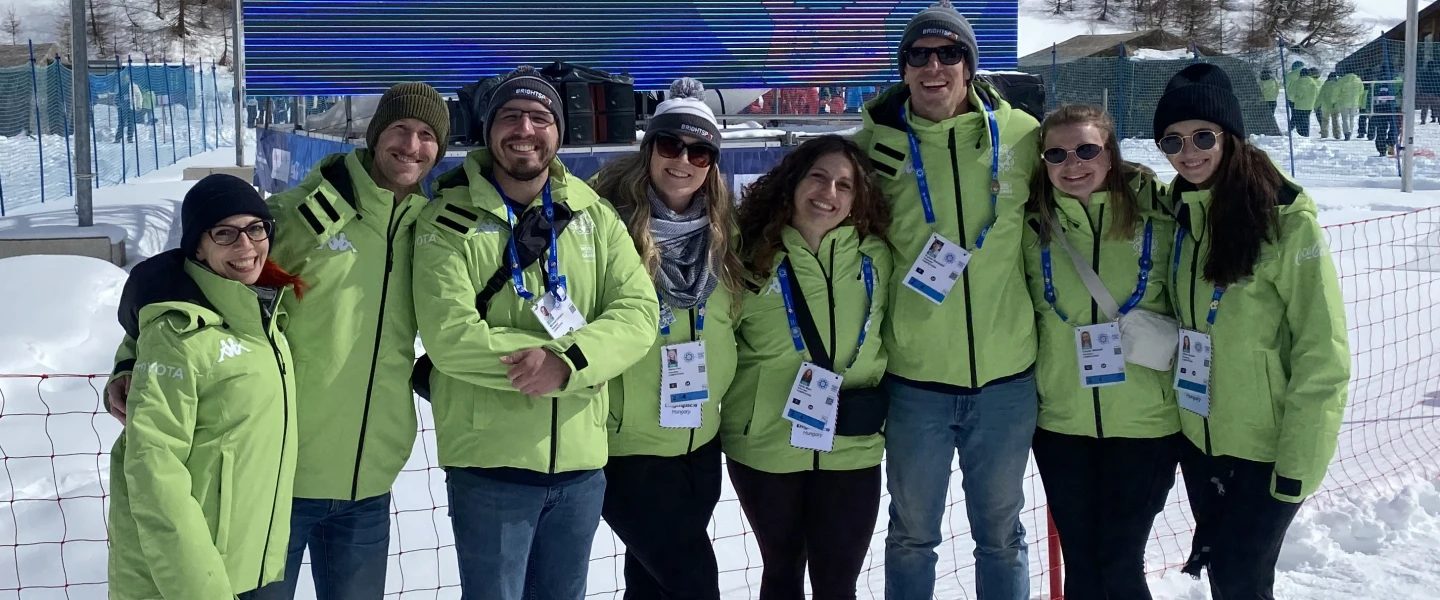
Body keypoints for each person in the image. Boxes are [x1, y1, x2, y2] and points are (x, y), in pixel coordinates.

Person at [106, 82, 450, 599]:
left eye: (428, 135)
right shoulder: (302, 217)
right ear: (375, 135)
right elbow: (195, 278)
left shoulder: (430, 228)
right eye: (399, 129)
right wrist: (131, 356)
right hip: (278, 477)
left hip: (370, 480)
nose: (412, 145)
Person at [412, 66, 659, 600]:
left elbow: (639, 313)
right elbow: (451, 337)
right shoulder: (446, 219)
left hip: (580, 467)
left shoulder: (593, 214)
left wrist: (569, 362)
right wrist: (546, 366)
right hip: (491, 467)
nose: (525, 128)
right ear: (488, 131)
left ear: (559, 132)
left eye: (540, 117)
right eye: (510, 116)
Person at [852, 2, 1042, 597]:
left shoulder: (1023, 136)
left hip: (1006, 381)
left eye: (949, 53)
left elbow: (1090, 184)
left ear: (970, 65)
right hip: (916, 383)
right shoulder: (875, 146)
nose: (934, 67)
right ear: (904, 68)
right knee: (911, 535)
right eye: (919, 55)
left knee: (1002, 536)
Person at [1153, 63, 1349, 600]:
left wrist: (1298, 464)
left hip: (1268, 448)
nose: (1187, 152)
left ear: (1231, 136)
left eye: (1203, 136)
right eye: (1172, 140)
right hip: (1202, 439)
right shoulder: (1178, 213)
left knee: (1241, 576)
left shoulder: (1285, 220)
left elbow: (1322, 350)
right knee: (1227, 574)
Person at [106, 174, 304, 600]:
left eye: (256, 228)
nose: (246, 246)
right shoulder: (178, 336)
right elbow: (155, 474)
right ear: (197, 244)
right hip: (190, 581)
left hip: (249, 569)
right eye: (225, 233)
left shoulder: (261, 316)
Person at [588, 76, 745, 600]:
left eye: (699, 151)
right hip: (626, 448)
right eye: (671, 144)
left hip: (699, 443)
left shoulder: (727, 232)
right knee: (693, 583)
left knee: (651, 586)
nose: (684, 160)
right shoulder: (601, 223)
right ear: (649, 148)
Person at [720, 135, 893, 600]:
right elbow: (716, 339)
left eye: (845, 184)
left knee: (839, 583)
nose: (829, 192)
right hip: (765, 445)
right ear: (793, 181)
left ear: (859, 198)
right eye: (818, 176)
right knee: (782, 572)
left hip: (852, 443)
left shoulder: (877, 256)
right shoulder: (749, 255)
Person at [1021, 104, 1181, 600]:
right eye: (1057, 153)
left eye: (1087, 149)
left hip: (1145, 426)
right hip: (1063, 427)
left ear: (1109, 154)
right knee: (1083, 566)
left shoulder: (1160, 213)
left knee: (1119, 560)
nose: (1073, 163)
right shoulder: (1030, 228)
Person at [1289, 68, 1321, 137]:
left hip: (1298, 105)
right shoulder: (1313, 82)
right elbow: (1317, 93)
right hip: (1309, 105)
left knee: (1299, 120)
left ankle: (1300, 133)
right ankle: (1306, 134)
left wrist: (1294, 100)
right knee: (1306, 119)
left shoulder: (1297, 82)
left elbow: (1291, 95)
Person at [1371, 81, 1400, 157]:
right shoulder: (1397, 81)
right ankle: (1389, 145)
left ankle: (1384, 148)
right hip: (1392, 107)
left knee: (1383, 129)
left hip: (1382, 108)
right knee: (1393, 127)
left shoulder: (1376, 83)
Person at [1337, 72, 1364, 141]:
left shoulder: (1342, 80)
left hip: (1344, 101)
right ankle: (1350, 132)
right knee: (1352, 118)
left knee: (1345, 118)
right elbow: (1361, 91)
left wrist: (1334, 100)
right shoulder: (1358, 80)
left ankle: (1347, 132)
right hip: (1354, 102)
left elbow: (1336, 91)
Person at [1318, 72, 1340, 139]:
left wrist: (1317, 104)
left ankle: (1324, 134)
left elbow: (1320, 96)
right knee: (1335, 120)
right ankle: (1337, 134)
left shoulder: (1325, 85)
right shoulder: (1338, 85)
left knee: (1325, 121)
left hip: (1325, 106)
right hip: (1335, 106)